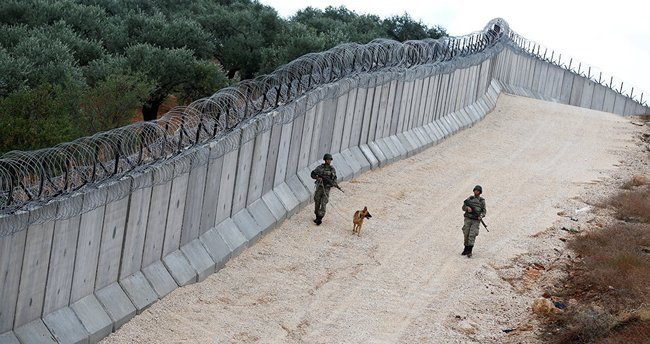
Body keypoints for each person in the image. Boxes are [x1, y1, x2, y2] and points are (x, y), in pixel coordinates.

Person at [310, 153, 337, 225]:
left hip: (326, 189)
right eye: (328, 159)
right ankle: (317, 215)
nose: (329, 161)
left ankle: (320, 217)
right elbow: (312, 174)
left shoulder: (332, 169)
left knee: (324, 202)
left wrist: (333, 183)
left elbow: (335, 178)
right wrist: (317, 178)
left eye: (330, 160)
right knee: (317, 201)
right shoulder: (320, 168)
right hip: (319, 187)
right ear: (325, 160)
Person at [461, 185, 486, 258]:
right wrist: (467, 208)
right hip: (468, 218)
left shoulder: (482, 201)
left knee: (472, 234)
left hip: (476, 220)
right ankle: (465, 248)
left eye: (478, 191)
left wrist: (481, 216)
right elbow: (463, 207)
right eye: (475, 190)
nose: (476, 192)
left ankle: (469, 250)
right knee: (466, 233)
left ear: (480, 192)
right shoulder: (470, 199)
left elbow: (484, 211)